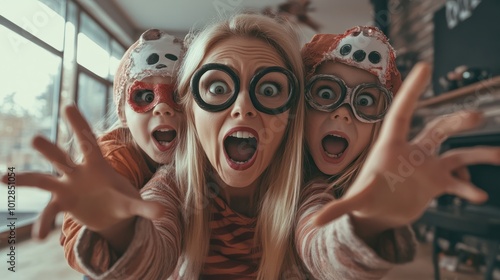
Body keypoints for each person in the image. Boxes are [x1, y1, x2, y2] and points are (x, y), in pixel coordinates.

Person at [4, 17, 500, 280]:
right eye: (218, 89)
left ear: (291, 117)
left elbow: (325, 245)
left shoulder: (305, 191)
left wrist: (367, 225)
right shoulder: (170, 186)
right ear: (190, 109)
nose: (244, 109)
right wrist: (115, 226)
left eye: (270, 90)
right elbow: (151, 251)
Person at [294, 26, 500, 279]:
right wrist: (367, 223)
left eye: (365, 101)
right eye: (325, 93)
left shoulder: (339, 186)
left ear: (378, 128)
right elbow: (315, 239)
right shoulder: (306, 188)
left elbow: (325, 251)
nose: (343, 113)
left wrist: (370, 220)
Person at [58, 28, 184, 274]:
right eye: (145, 95)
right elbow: (78, 239)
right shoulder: (114, 157)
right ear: (124, 114)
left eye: (177, 95)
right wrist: (112, 228)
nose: (163, 108)